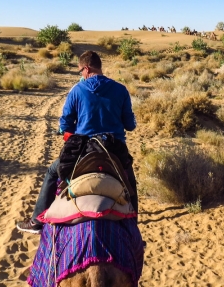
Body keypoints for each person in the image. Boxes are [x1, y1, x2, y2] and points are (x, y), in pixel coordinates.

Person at [16, 50, 138, 234]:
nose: (81, 74)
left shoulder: (77, 90)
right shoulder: (121, 89)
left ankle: (36, 222)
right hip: (115, 150)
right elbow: (130, 126)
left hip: (84, 150)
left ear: (87, 68)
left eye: (80, 70)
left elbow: (65, 124)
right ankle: (133, 229)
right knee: (130, 183)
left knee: (51, 173)